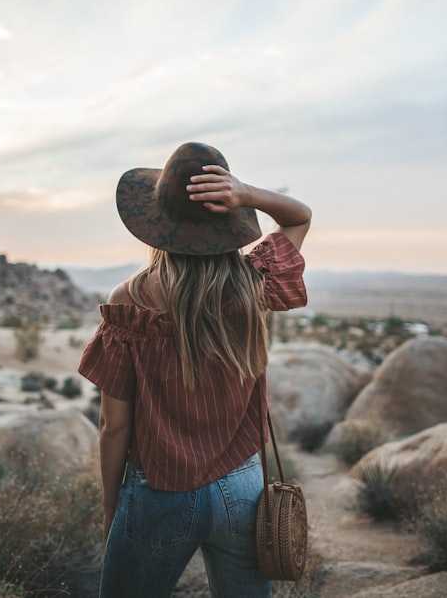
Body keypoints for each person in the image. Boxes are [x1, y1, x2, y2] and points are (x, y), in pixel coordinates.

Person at [78, 142, 311, 597]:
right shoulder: (252, 284)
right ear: (229, 220)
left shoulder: (131, 301)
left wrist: (112, 508)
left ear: (156, 226)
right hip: (243, 485)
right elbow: (299, 216)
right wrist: (246, 193)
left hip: (159, 492)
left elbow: (113, 425)